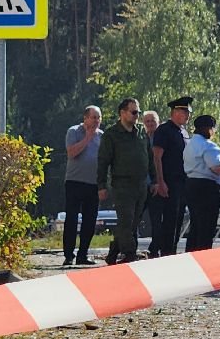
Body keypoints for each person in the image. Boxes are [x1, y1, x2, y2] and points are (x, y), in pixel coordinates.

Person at [97, 98, 153, 264]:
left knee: (133, 222)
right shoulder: (112, 134)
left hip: (141, 184)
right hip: (122, 184)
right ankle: (130, 254)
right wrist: (101, 185)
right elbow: (103, 161)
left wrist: (155, 180)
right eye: (134, 112)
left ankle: (114, 252)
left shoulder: (142, 132)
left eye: (138, 112)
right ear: (123, 113)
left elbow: (149, 158)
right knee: (126, 220)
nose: (137, 116)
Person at [149, 97, 191, 257]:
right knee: (168, 220)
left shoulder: (183, 132)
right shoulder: (164, 130)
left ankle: (171, 250)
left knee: (178, 219)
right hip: (169, 181)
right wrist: (160, 181)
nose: (187, 115)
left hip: (182, 181)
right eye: (183, 111)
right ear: (174, 112)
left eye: (188, 112)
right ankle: (165, 252)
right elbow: (157, 156)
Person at [61, 106, 103, 267]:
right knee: (71, 219)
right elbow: (71, 153)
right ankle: (68, 254)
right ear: (85, 118)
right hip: (74, 182)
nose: (96, 121)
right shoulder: (74, 131)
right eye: (93, 117)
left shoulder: (102, 137)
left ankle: (83, 254)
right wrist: (87, 137)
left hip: (93, 184)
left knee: (90, 220)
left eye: (99, 118)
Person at [183, 114, 220, 252]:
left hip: (191, 184)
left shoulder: (189, 145)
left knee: (196, 224)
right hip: (206, 187)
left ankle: (191, 253)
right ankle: (204, 255)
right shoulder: (208, 146)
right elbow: (217, 168)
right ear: (209, 129)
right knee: (207, 226)